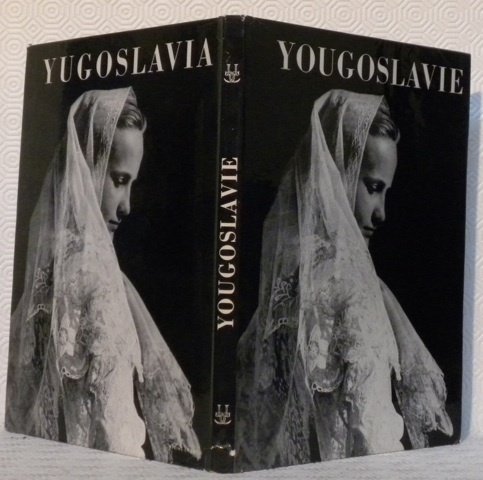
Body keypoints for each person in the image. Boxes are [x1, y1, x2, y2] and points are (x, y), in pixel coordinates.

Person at [235, 89, 453, 471]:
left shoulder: (284, 287)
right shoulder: (353, 289)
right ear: (336, 173)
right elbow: (374, 441)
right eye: (373, 188)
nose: (381, 213)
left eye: (385, 192)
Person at [6, 87, 201, 463]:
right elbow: (117, 438)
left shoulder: (51, 269)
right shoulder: (95, 279)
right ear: (89, 167)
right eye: (119, 180)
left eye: (132, 183)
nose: (127, 206)